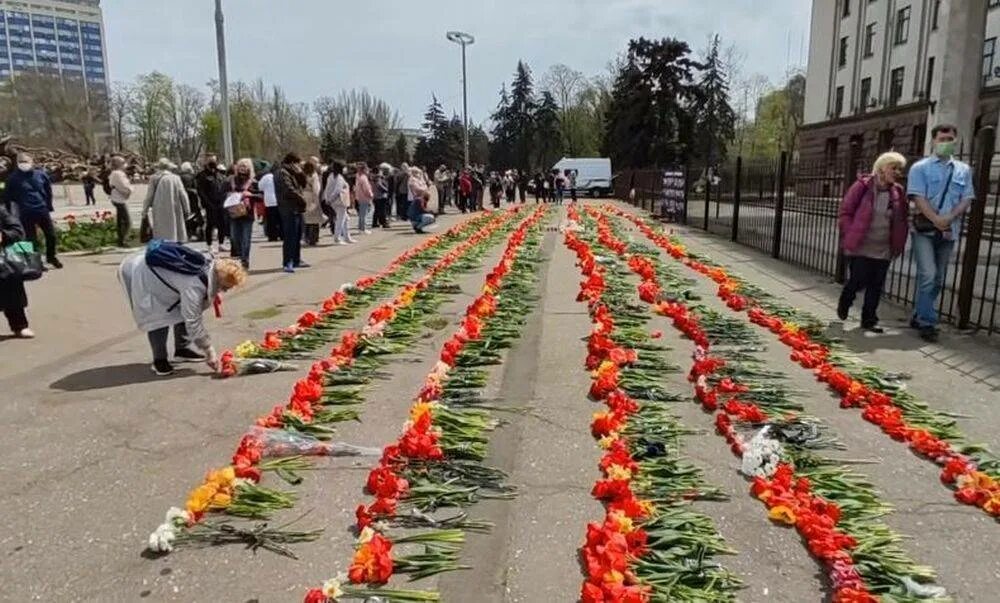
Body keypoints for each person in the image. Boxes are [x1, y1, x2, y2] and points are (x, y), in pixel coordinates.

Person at [119, 250, 246, 376]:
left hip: (157, 274)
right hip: (142, 275)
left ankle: (182, 349)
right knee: (157, 318)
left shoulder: (209, 267)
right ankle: (159, 360)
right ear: (221, 280)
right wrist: (209, 350)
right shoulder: (194, 285)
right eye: (227, 287)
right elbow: (192, 319)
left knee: (182, 308)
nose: (227, 290)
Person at [907, 124, 976, 342]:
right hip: (924, 231)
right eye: (942, 139)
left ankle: (919, 315)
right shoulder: (920, 168)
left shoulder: (963, 170)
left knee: (938, 279)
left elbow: (967, 197)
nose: (946, 143)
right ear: (933, 141)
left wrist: (949, 218)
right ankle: (928, 323)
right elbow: (918, 196)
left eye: (950, 139)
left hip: (949, 232)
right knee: (927, 274)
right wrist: (936, 219)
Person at [836, 152, 909, 333]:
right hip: (861, 245)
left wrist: (899, 240)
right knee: (858, 280)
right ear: (882, 168)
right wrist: (849, 232)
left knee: (876, 285)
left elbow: (902, 218)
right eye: (893, 167)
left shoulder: (898, 191)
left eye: (899, 169)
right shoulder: (862, 186)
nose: (897, 172)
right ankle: (846, 298)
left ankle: (869, 320)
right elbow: (845, 211)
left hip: (883, 247)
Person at [4, 153, 62, 269]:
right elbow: (8, 197)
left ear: (32, 162)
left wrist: (49, 206)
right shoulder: (13, 178)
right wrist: (10, 214)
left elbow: (48, 191)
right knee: (30, 239)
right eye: (21, 162)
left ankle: (51, 257)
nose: (23, 164)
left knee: (51, 235)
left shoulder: (40, 175)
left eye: (26, 161)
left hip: (41, 209)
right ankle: (36, 262)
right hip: (25, 212)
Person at [0, 204, 32, 337]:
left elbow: (18, 231)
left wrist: (3, 235)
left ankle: (19, 326)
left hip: (4, 261)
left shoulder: (1, 210)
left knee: (11, 289)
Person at [275, 153, 309, 272]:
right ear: (292, 162)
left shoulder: (293, 173)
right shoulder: (282, 173)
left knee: (297, 235)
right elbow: (288, 190)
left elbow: (304, 184)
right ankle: (287, 261)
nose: (298, 166)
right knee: (290, 236)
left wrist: (300, 173)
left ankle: (296, 259)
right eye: (297, 163)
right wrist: (302, 199)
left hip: (297, 208)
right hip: (288, 208)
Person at [143, 159, 190, 242]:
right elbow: (183, 195)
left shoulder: (154, 178)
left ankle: (163, 247)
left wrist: (145, 210)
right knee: (175, 229)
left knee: (161, 231)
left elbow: (149, 196)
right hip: (174, 207)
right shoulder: (176, 178)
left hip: (159, 208)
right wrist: (187, 209)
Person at [226, 158, 256, 269]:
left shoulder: (253, 182)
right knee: (234, 237)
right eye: (241, 165)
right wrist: (229, 194)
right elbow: (221, 192)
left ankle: (244, 260)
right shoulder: (230, 180)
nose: (242, 168)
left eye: (245, 166)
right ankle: (238, 257)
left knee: (246, 239)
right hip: (234, 214)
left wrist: (250, 195)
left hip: (247, 214)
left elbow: (261, 196)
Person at [195, 155, 228, 252]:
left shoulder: (219, 174)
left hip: (221, 203)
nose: (213, 162)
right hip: (210, 204)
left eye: (214, 160)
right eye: (210, 160)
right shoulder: (202, 175)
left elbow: (223, 187)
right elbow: (201, 192)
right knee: (210, 224)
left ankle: (221, 244)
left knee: (222, 224)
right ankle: (209, 245)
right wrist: (208, 203)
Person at [323, 160, 353, 245]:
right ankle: (337, 238)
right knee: (341, 219)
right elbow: (337, 190)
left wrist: (327, 198)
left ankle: (347, 237)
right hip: (340, 201)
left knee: (345, 219)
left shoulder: (331, 176)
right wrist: (330, 199)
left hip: (334, 201)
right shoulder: (339, 177)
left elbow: (327, 188)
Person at [108, 156, 133, 247]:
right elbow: (124, 186)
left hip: (117, 197)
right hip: (119, 199)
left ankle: (120, 240)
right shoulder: (118, 174)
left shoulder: (115, 173)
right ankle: (123, 240)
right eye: (123, 163)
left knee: (120, 220)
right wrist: (130, 190)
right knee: (127, 221)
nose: (124, 165)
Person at [179, 162, 204, 242]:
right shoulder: (193, 177)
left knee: (186, 217)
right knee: (195, 217)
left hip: (183, 201)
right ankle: (196, 233)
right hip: (193, 200)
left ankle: (188, 233)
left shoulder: (179, 177)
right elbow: (197, 188)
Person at [301, 158, 323, 246]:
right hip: (312, 196)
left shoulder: (302, 175)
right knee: (315, 219)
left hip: (303, 196)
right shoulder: (314, 175)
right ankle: (313, 238)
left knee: (306, 219)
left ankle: (306, 238)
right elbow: (316, 189)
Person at [407, 167, 435, 233]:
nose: (419, 174)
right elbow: (418, 189)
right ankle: (417, 227)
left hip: (415, 216)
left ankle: (418, 226)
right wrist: (430, 211)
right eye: (417, 173)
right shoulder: (412, 180)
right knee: (430, 217)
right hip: (414, 217)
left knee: (429, 216)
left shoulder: (418, 180)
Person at [258, 168, 282, 242]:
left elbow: (260, 187)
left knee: (271, 220)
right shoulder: (279, 176)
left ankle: (272, 236)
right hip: (279, 200)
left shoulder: (266, 177)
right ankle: (282, 235)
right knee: (281, 220)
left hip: (269, 202)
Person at [354, 163, 374, 234]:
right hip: (364, 197)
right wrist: (371, 195)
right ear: (364, 170)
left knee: (362, 213)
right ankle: (363, 228)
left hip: (359, 197)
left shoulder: (358, 177)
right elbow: (366, 189)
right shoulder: (363, 178)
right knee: (364, 214)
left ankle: (361, 228)